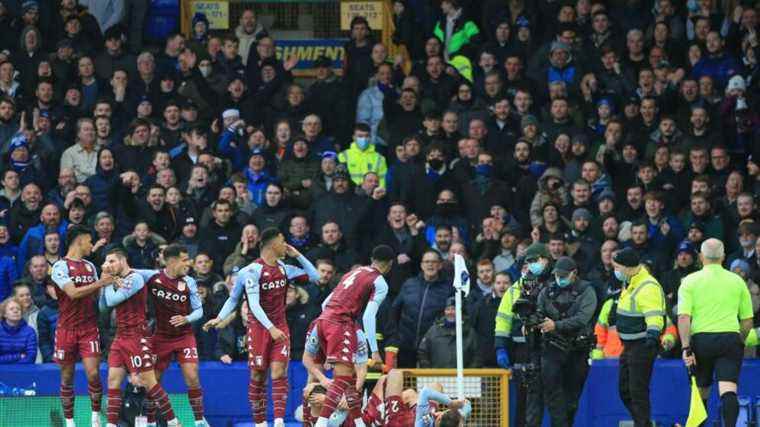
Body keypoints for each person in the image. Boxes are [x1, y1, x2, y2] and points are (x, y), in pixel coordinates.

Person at [203, 227, 319, 427]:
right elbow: (240, 301)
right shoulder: (251, 271)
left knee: (279, 372)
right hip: (258, 330)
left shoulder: (284, 269)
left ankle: (280, 421)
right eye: (283, 241)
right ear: (273, 244)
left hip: (280, 326)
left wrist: (298, 255)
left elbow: (315, 276)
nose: (286, 245)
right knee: (258, 374)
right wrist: (219, 317)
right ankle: (260, 423)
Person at [307, 245, 393, 427]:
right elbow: (369, 316)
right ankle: (321, 424)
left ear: (372, 258)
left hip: (323, 321)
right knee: (344, 379)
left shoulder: (353, 273)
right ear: (390, 265)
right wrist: (375, 351)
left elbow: (325, 303)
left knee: (350, 383)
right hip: (340, 324)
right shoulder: (380, 282)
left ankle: (359, 424)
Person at [98, 248, 182, 427]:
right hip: (120, 337)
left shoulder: (135, 278)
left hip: (137, 336)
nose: (108, 265)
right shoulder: (115, 281)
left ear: (123, 260)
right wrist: (107, 282)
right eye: (106, 262)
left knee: (149, 382)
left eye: (112, 261)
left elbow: (112, 301)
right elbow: (103, 307)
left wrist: (105, 282)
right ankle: (111, 424)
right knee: (113, 380)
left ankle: (174, 422)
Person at [678, 238, 754, 427]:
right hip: (729, 338)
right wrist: (741, 339)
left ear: (701, 257)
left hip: (701, 340)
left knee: (701, 391)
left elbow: (683, 318)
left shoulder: (690, 281)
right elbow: (747, 321)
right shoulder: (737, 281)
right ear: (723, 257)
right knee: (728, 389)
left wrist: (686, 347)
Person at [136, 244, 208, 426]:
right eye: (184, 260)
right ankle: (150, 421)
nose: (188, 263)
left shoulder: (189, 281)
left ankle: (199, 420)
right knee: (153, 381)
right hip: (161, 337)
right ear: (171, 261)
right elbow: (129, 271)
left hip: (184, 336)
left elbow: (199, 311)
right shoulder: (152, 277)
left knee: (192, 377)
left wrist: (186, 318)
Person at [51, 226, 114, 427]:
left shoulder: (90, 267)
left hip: (88, 328)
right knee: (67, 376)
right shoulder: (59, 267)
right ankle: (70, 421)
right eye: (89, 241)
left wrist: (111, 285)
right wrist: (102, 283)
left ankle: (95, 417)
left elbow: (97, 295)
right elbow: (73, 293)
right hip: (66, 329)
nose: (91, 245)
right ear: (79, 240)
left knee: (93, 373)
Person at [494, 242, 551, 427]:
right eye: (525, 266)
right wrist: (501, 348)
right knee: (524, 398)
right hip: (522, 351)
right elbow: (502, 320)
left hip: (549, 348)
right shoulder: (513, 291)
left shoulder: (550, 286)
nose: (528, 269)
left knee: (552, 398)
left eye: (531, 264)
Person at [536, 256, 597, 427]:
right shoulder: (547, 291)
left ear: (574, 273)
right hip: (552, 349)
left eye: (564, 275)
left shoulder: (587, 291)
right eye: (557, 275)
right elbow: (538, 311)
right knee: (554, 397)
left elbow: (583, 319)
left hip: (577, 350)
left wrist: (556, 325)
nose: (559, 279)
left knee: (571, 400)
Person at [611, 247, 667, 427]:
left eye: (618, 267)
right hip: (628, 346)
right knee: (625, 390)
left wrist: (653, 333)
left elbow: (654, 313)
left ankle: (642, 424)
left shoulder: (647, 286)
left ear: (628, 267)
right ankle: (642, 423)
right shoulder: (629, 282)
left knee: (637, 392)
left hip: (642, 344)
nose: (616, 271)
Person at [0, 296, 37, 364]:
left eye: (18, 309)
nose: (16, 311)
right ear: (4, 314)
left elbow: (31, 358)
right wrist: (18, 356)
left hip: (24, 371)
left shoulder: (30, 332)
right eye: (11, 309)